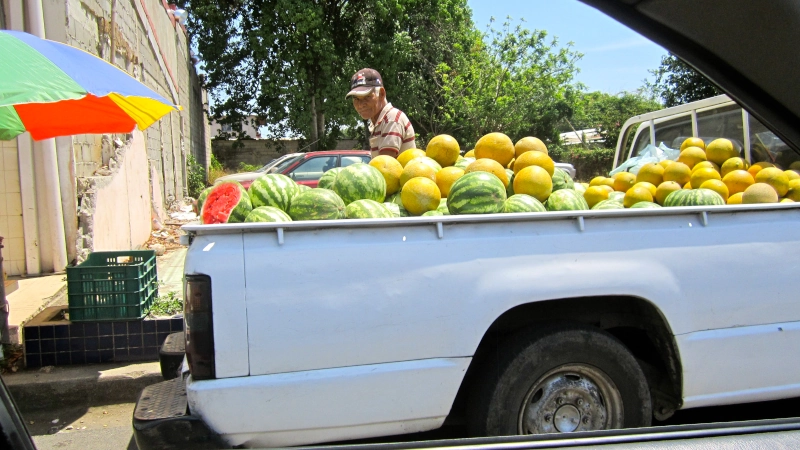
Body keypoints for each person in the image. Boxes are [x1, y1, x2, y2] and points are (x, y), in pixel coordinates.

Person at [345, 68, 416, 158]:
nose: (360, 105)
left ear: (381, 94)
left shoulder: (392, 119)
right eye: (356, 98)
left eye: (367, 96)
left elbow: (385, 166)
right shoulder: (378, 122)